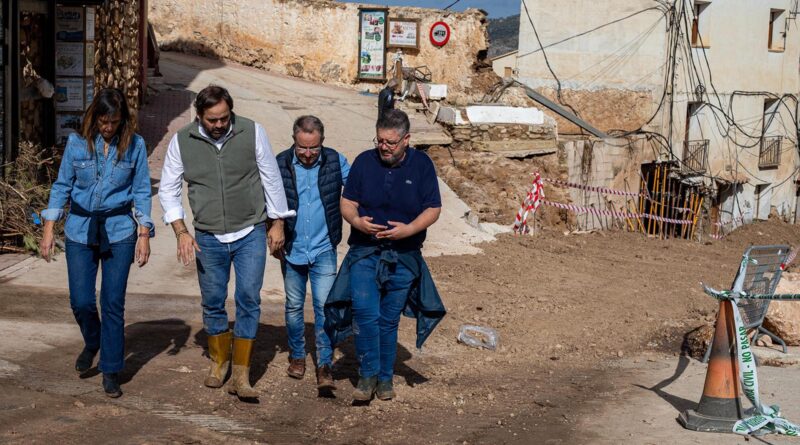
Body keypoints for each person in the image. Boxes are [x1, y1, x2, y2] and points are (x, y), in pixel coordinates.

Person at [158, 85, 293, 399]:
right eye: (212, 120)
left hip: (249, 231)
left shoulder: (252, 131)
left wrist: (278, 223)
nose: (219, 125)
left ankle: (242, 374)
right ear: (199, 116)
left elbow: (271, 177)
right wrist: (181, 232)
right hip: (207, 235)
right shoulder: (182, 141)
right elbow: (168, 189)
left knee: (249, 297)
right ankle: (220, 362)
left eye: (224, 118)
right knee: (213, 300)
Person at [325, 109, 446, 402]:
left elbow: (433, 207)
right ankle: (367, 377)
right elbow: (348, 202)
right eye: (380, 140)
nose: (384, 147)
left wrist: (409, 230)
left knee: (388, 319)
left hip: (404, 256)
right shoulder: (364, 162)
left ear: (406, 139)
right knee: (366, 315)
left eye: (391, 142)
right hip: (365, 251)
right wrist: (357, 222)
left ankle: (385, 378)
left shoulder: (422, 165)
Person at [40, 88, 154, 398]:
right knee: (81, 301)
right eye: (103, 121)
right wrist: (49, 228)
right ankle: (93, 341)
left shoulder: (135, 145)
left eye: (114, 122)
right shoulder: (77, 144)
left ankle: (111, 369)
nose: (108, 128)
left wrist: (144, 234)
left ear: (122, 119)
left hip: (119, 231)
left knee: (113, 303)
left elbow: (142, 191)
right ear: (95, 117)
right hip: (80, 229)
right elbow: (62, 186)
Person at [275, 116, 350, 391]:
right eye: (302, 148)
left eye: (314, 148)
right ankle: (297, 355)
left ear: (322, 142)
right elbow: (268, 199)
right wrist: (273, 229)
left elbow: (357, 189)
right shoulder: (280, 162)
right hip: (292, 248)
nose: (308, 155)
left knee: (323, 307)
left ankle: (324, 364)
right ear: (294, 141)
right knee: (294, 306)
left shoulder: (336, 161)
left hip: (323, 247)